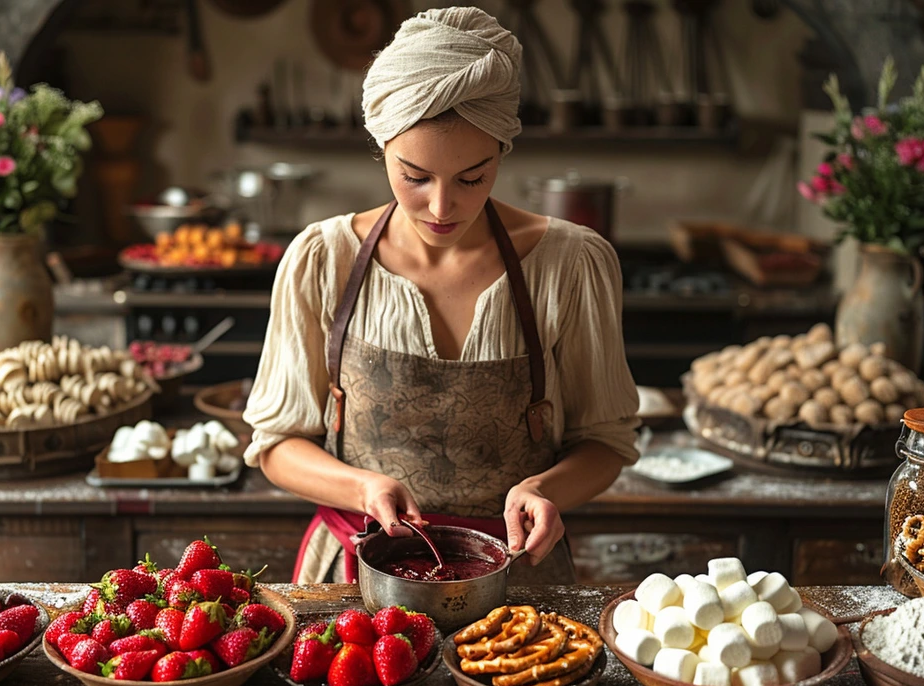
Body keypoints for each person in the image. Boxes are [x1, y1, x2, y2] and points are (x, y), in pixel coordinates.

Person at [242, 6, 640, 584]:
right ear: (381, 148)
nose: (441, 207)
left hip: (516, 580)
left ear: (503, 152)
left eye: (472, 178)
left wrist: (542, 488)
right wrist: (362, 486)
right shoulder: (323, 259)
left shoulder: (570, 263)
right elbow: (276, 444)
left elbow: (605, 443)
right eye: (415, 176)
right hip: (356, 580)